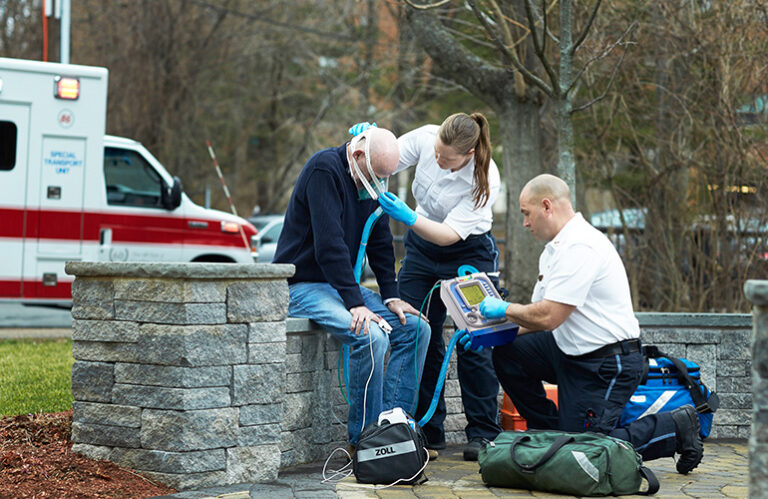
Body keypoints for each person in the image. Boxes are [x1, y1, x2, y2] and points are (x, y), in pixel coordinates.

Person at [477, 173, 704, 474]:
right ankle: (550, 433)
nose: (525, 223)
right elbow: (537, 319)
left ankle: (676, 426)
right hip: (569, 353)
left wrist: (504, 308)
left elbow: (548, 316)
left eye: (526, 214)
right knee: (509, 350)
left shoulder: (580, 247)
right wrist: (493, 333)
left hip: (607, 364)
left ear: (547, 206)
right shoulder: (554, 251)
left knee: (584, 454)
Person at [356, 113, 503, 461]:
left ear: (467, 155)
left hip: (467, 249)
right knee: (417, 329)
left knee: (475, 340)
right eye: (437, 152)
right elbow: (385, 159)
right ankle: (423, 429)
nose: (437, 160)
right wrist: (368, 142)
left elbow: (450, 234)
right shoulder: (425, 138)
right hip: (422, 248)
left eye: (446, 159)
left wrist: (407, 216)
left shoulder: (485, 178)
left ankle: (483, 433)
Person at [273, 126, 430, 446]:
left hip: (341, 288)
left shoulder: (372, 180)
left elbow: (381, 241)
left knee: (415, 329)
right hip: (305, 286)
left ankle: (395, 431)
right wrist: (355, 302)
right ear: (357, 155)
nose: (377, 186)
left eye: (384, 178)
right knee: (370, 336)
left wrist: (391, 296)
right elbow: (329, 246)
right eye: (374, 177)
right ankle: (367, 442)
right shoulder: (323, 170)